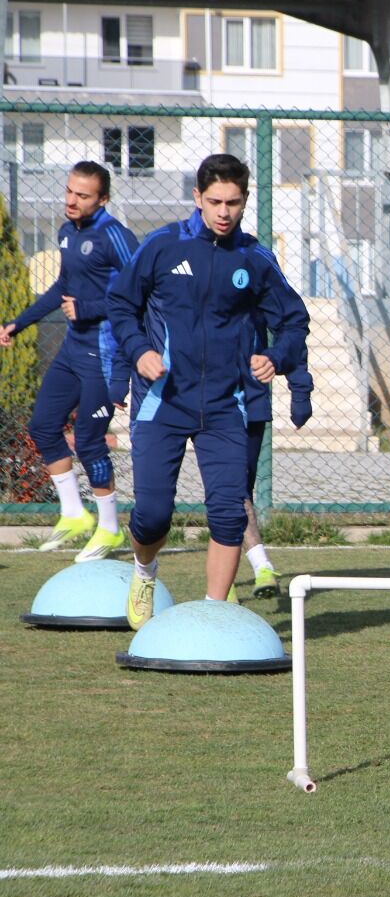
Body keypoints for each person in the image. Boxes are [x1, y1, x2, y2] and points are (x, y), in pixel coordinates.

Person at [107, 153, 310, 626]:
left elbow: (294, 320)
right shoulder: (162, 246)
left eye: (233, 203)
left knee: (228, 513)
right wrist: (139, 351)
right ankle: (144, 570)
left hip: (226, 406)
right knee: (153, 515)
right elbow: (121, 305)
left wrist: (276, 358)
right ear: (197, 198)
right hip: (162, 402)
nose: (224, 212)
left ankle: (215, 616)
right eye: (215, 201)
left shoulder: (255, 258)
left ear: (244, 202)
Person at [0, 162, 139, 561]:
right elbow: (63, 287)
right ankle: (75, 514)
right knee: (43, 427)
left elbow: (140, 293)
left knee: (91, 441)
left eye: (83, 195)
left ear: (103, 199)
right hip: (72, 350)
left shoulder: (117, 236)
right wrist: (18, 322)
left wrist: (92, 309)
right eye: (69, 192)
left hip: (106, 355)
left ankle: (110, 528)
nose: (71, 201)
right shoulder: (66, 233)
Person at [237, 307, 315, 599]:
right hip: (191, 396)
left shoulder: (258, 261)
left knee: (236, 488)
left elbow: (290, 325)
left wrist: (300, 388)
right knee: (224, 487)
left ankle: (255, 569)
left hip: (248, 397)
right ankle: (253, 568)